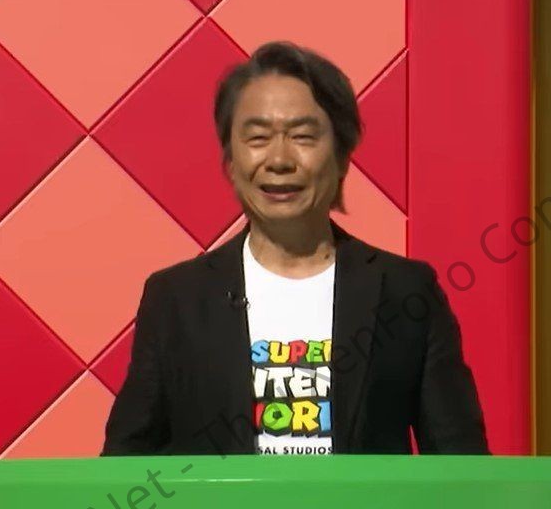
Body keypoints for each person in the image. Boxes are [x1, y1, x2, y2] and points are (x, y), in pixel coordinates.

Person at [101, 41, 487, 456]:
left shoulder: (405, 290)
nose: (280, 159)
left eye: (303, 136)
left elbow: (461, 462)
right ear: (230, 162)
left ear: (342, 157)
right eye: (258, 138)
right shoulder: (176, 299)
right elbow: (125, 463)